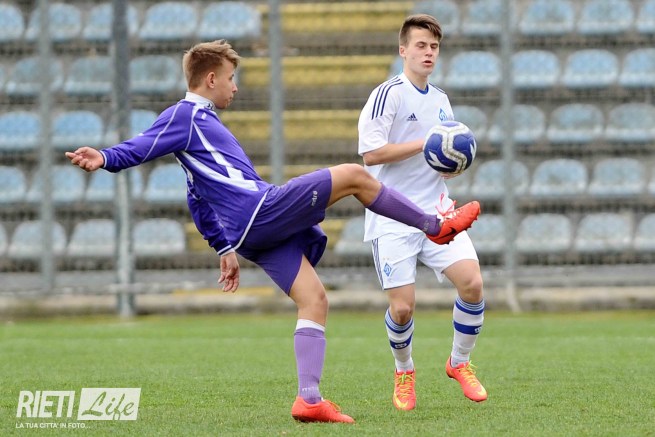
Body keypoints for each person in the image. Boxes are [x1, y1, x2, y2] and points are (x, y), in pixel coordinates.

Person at [65, 40, 480, 423]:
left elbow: (196, 196)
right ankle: (435, 226)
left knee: (314, 300)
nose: (235, 87)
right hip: (259, 210)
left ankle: (309, 399)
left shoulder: (199, 128)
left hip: (248, 235)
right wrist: (105, 157)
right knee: (355, 175)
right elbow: (142, 145)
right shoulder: (186, 115)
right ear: (210, 79)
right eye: (231, 78)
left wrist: (223, 247)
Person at [357, 15, 488, 412]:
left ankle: (459, 363)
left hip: (437, 210)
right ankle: (404, 371)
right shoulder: (388, 95)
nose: (428, 52)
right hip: (393, 216)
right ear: (403, 50)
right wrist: (425, 142)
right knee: (402, 308)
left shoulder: (441, 100)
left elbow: (441, 152)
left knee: (473, 284)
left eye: (434, 47)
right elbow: (371, 154)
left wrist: (451, 163)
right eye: (420, 46)